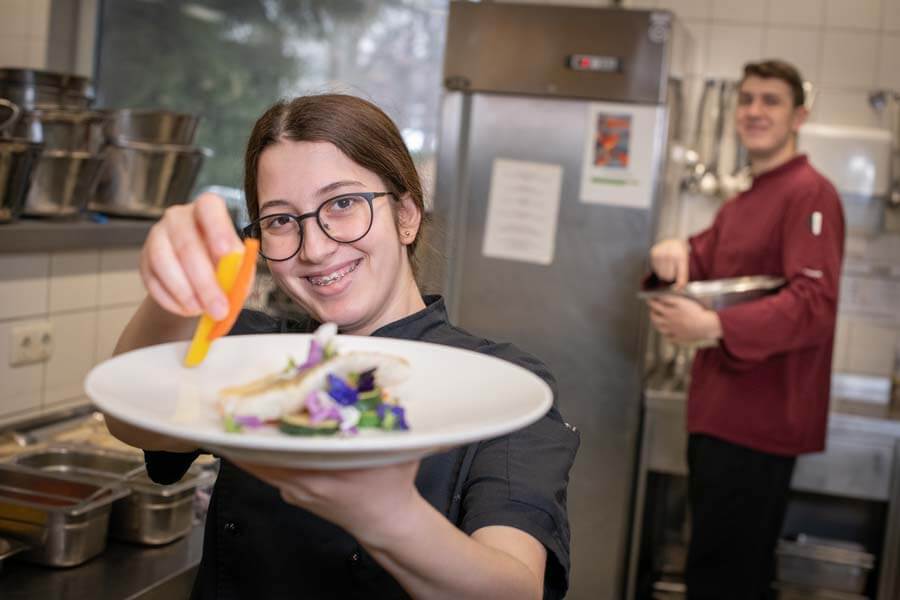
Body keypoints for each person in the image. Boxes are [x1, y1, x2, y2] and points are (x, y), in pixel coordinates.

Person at [104, 94, 579, 600]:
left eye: (343, 204)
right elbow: (131, 419)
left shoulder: (501, 386)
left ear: (407, 216)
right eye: (281, 220)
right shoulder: (255, 357)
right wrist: (174, 294)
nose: (315, 248)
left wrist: (386, 515)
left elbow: (515, 589)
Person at [645, 60, 845, 600]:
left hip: (758, 422)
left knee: (729, 577)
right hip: (718, 415)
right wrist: (672, 252)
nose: (755, 111)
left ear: (799, 116)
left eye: (771, 101)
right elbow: (701, 257)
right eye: (748, 99)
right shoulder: (744, 200)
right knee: (712, 567)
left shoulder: (810, 194)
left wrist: (712, 323)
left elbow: (814, 304)